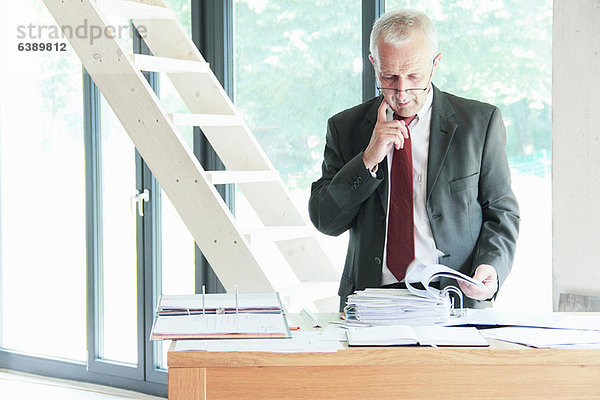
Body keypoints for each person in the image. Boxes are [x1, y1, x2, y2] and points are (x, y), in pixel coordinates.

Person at [308, 8, 520, 311]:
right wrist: (368, 159)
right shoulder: (345, 128)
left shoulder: (479, 123)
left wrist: (490, 267)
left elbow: (502, 213)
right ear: (373, 64)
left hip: (453, 299)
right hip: (371, 301)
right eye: (389, 77)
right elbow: (326, 220)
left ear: (435, 64)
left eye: (414, 76)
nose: (402, 92)